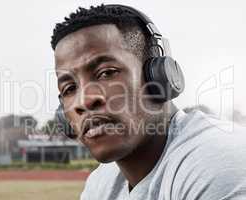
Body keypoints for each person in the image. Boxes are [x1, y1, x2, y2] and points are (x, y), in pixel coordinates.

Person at [51, 4, 246, 200]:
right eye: (69, 89)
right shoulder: (100, 184)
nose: (84, 101)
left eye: (106, 73)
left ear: (159, 77)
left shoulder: (216, 165)